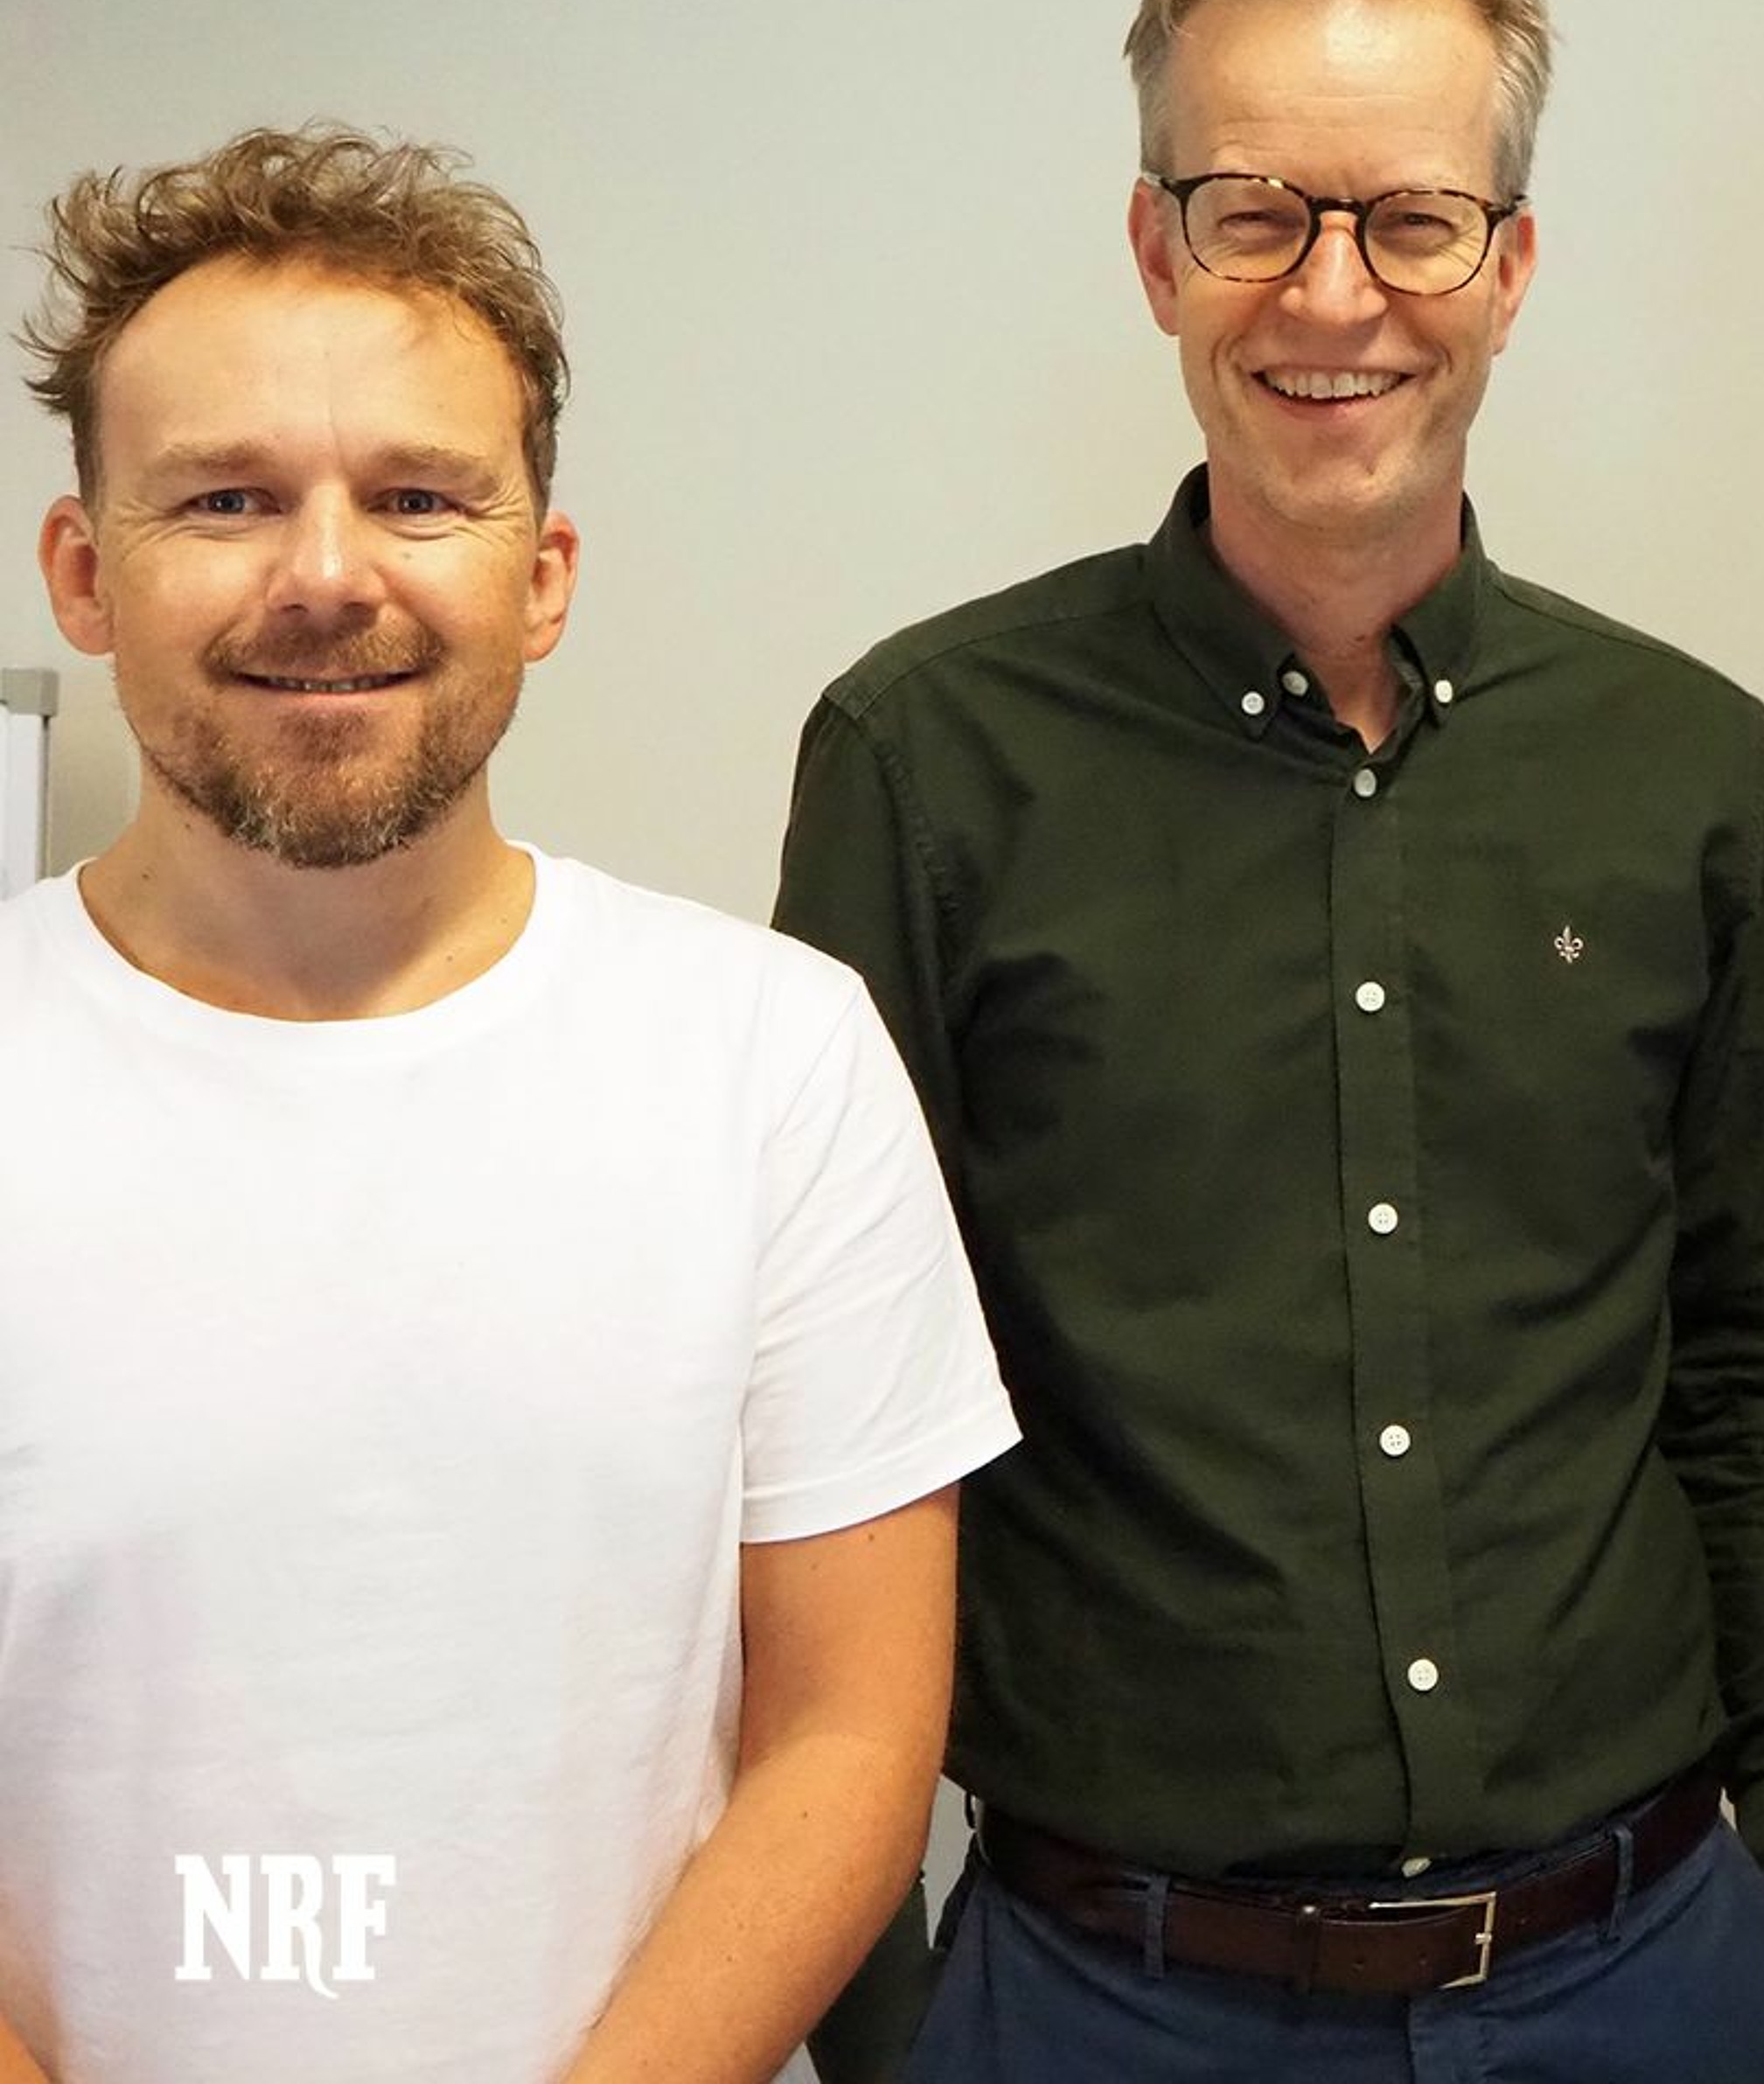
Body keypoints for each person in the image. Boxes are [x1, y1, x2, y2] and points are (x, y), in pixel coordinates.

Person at [773, 0, 1764, 2084]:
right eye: (1256, 213)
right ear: (1155, 253)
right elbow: (825, 1424)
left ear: (1511, 266)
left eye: (1413, 220)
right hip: (1099, 2004)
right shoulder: (924, 761)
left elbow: (1755, 1371)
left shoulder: (1687, 762)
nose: (1335, 292)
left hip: (1650, 1974)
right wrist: (877, 2002)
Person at [0, 126, 1018, 2084]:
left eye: (417, 498)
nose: (326, 576)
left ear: (540, 577)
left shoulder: (773, 1061)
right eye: (224, 497)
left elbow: (847, 1736)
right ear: (84, 572)